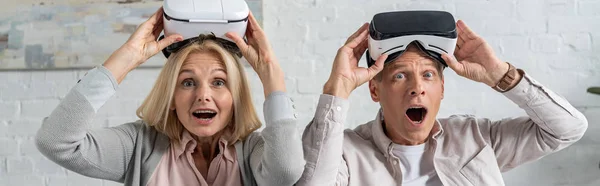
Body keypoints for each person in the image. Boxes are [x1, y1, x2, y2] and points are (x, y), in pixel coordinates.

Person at [35, 7, 304, 186]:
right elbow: (56, 142)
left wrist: (273, 78)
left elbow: (286, 172)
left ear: (235, 96)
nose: (203, 96)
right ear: (171, 97)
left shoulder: (254, 150)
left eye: (219, 82)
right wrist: (126, 58)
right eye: (188, 82)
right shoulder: (139, 146)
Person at [297, 21, 588, 185]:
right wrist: (337, 89)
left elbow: (568, 129)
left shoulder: (476, 138)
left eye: (427, 75)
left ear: (442, 88)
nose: (417, 88)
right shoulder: (345, 151)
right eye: (400, 76)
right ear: (375, 90)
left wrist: (501, 76)